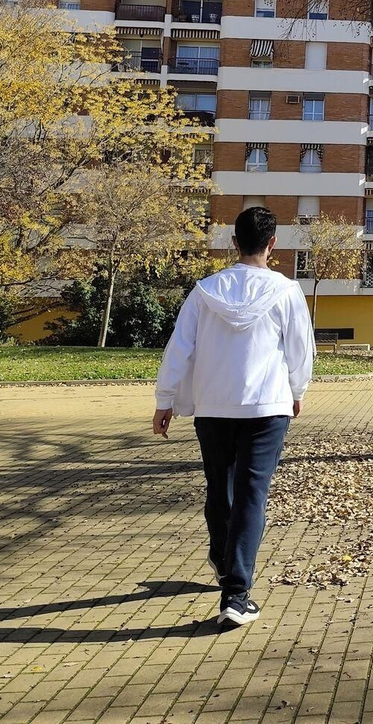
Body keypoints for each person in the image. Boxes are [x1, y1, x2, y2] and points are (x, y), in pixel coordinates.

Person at [153, 206, 314, 629]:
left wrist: (165, 399)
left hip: (213, 406)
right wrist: (297, 391)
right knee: (250, 495)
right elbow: (300, 350)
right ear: (273, 244)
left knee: (219, 487)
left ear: (234, 242)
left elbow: (179, 347)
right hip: (267, 406)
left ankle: (224, 563)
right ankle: (236, 595)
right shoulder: (286, 291)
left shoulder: (205, 290)